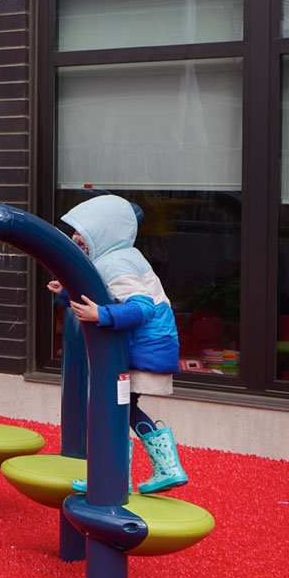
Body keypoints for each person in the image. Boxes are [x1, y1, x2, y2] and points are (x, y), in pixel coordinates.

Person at [49, 193, 188, 495]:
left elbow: (142, 308)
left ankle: (111, 477)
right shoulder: (119, 256)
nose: (77, 238)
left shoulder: (116, 263)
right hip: (150, 346)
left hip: (145, 349)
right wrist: (66, 291)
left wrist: (100, 314)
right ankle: (159, 469)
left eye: (84, 233)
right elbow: (105, 295)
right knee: (124, 409)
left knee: (112, 408)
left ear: (103, 232)